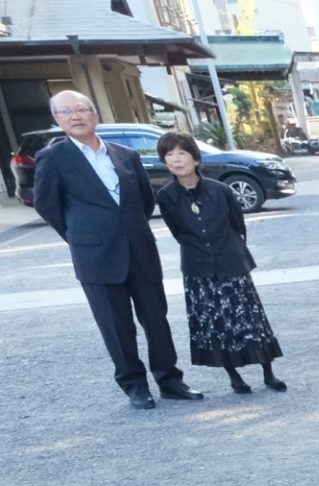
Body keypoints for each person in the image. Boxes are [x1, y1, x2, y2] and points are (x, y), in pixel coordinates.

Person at [32, 90, 202, 410]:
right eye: (66, 111)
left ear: (95, 114)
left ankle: (170, 379)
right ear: (57, 119)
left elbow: (143, 199)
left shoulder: (125, 154)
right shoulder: (53, 158)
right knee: (115, 325)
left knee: (156, 318)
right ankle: (134, 385)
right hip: (94, 256)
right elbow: (47, 205)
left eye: (82, 109)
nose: (76, 116)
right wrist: (80, 235)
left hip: (139, 248)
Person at [154, 131, 285, 395]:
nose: (176, 160)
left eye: (182, 153)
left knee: (250, 319)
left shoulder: (221, 190)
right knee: (216, 325)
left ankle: (268, 372)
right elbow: (177, 231)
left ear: (196, 159)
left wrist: (231, 251)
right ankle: (234, 376)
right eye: (169, 155)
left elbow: (238, 227)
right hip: (197, 268)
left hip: (231, 262)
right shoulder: (166, 196)